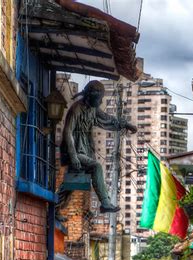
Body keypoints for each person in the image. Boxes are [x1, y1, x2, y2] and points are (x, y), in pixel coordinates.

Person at [58, 80, 137, 213]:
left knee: (71, 182)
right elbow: (67, 132)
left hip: (84, 149)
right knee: (96, 167)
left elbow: (107, 118)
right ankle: (105, 203)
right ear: (90, 97)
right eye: (99, 99)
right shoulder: (76, 109)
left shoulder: (93, 109)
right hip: (74, 150)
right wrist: (73, 156)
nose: (100, 102)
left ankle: (55, 209)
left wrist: (126, 125)